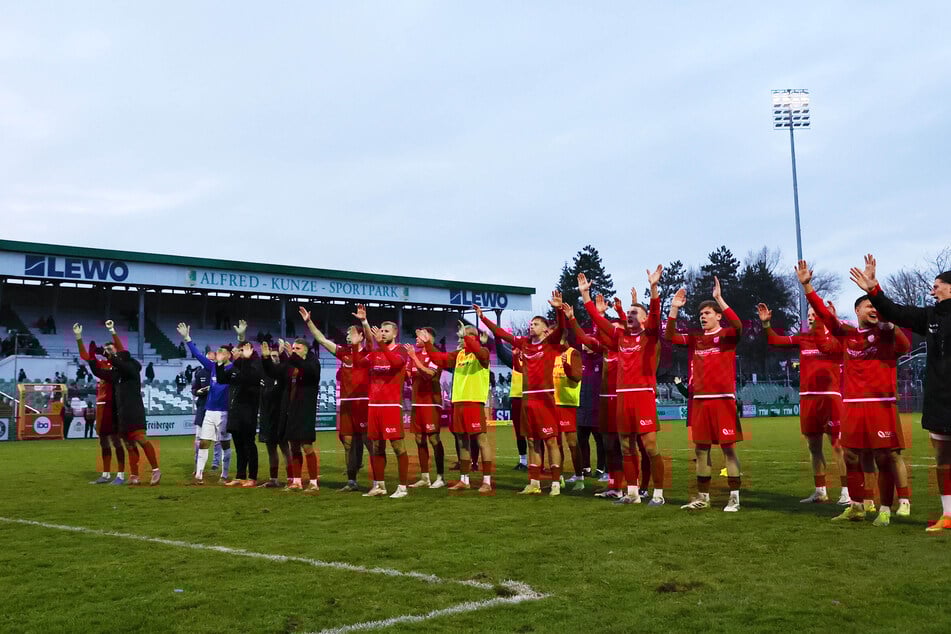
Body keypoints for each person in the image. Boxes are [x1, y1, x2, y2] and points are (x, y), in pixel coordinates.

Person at [798, 259, 910, 527]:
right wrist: (807, 287)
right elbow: (826, 318)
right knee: (850, 455)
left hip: (880, 404)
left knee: (886, 457)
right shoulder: (848, 335)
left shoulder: (886, 334)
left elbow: (905, 347)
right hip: (852, 405)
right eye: (868, 305)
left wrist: (877, 296)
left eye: (875, 306)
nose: (873, 309)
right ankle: (857, 506)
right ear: (857, 310)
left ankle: (886, 508)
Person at [850, 255, 950, 531]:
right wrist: (874, 290)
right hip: (939, 399)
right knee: (942, 456)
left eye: (937, 286)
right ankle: (948, 514)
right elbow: (895, 311)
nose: (932, 290)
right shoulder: (931, 316)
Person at [582, 268, 666, 506]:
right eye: (628, 312)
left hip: (642, 396)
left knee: (649, 446)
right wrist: (586, 296)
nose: (629, 314)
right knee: (626, 445)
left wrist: (653, 288)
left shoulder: (650, 336)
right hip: (622, 397)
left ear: (644, 318)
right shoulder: (620, 337)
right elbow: (599, 321)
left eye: (634, 312)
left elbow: (656, 313)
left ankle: (658, 494)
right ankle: (632, 493)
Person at [757, 301, 849, 505]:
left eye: (815, 313)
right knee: (813, 447)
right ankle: (820, 490)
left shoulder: (836, 337)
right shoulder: (803, 338)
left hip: (829, 397)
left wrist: (831, 320)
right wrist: (766, 324)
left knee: (838, 446)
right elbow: (775, 340)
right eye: (808, 313)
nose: (810, 316)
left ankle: (846, 492)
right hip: (807, 398)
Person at [477, 292, 566, 496]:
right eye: (531, 323)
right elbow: (501, 333)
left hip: (545, 398)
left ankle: (554, 483)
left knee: (551, 440)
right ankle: (533, 483)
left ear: (545, 329)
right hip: (527, 398)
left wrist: (559, 309)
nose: (531, 326)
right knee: (532, 441)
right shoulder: (524, 344)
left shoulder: (550, 344)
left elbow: (562, 327)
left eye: (536, 324)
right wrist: (483, 318)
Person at [665, 277, 743, 512]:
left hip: (723, 401)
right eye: (701, 314)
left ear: (718, 316)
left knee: (728, 449)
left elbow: (740, 327)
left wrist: (720, 298)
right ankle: (703, 497)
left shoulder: (728, 336)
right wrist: (674, 309)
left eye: (708, 313)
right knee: (701, 450)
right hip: (699, 402)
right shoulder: (695, 339)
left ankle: (734, 498)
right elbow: (669, 336)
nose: (703, 316)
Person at [301, 307, 371, 492]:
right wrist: (309, 321)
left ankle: (377, 481)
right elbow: (321, 339)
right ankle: (351, 481)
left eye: (351, 333)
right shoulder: (343, 352)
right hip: (347, 405)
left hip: (363, 403)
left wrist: (364, 322)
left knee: (369, 443)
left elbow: (372, 340)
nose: (348, 335)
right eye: (347, 333)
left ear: (361, 336)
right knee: (348, 443)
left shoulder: (369, 352)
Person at [421, 322, 492, 492]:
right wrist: (428, 345)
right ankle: (464, 480)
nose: (459, 339)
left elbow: (480, 353)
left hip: (474, 402)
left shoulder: (483, 353)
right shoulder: (458, 355)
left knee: (481, 440)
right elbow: (439, 359)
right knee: (462, 441)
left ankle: (487, 482)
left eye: (462, 337)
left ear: (472, 338)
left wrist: (467, 335)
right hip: (458, 402)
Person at [351, 306, 411, 498]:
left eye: (386, 331)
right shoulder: (375, 353)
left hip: (391, 406)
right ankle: (380, 486)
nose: (383, 334)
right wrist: (355, 346)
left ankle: (402, 487)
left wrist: (381, 345)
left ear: (395, 333)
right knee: (376, 446)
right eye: (382, 331)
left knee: (397, 446)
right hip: (374, 406)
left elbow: (396, 364)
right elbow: (358, 364)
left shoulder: (401, 350)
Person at [261, 333, 321, 492]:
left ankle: (314, 483)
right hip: (290, 410)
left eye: (297, 348)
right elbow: (274, 372)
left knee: (307, 446)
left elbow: (309, 372)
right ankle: (296, 482)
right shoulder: (290, 364)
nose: (294, 350)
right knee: (294, 446)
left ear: (306, 350)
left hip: (305, 411)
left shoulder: (313, 363)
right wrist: (266, 359)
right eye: (293, 348)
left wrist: (292, 357)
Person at [106, 322, 161, 486]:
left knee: (141, 438)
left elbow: (121, 356)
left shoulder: (131, 369)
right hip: (122, 413)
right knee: (129, 444)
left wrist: (113, 332)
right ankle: (134, 475)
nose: (113, 355)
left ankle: (156, 470)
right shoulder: (118, 374)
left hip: (134, 411)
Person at [179, 323, 233, 484]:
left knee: (224, 444)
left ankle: (224, 475)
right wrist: (187, 338)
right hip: (209, 411)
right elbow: (197, 354)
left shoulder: (232, 369)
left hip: (224, 412)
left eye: (221, 353)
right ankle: (199, 475)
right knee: (204, 442)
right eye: (217, 353)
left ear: (228, 355)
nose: (217, 355)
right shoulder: (212, 367)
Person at [74, 322, 126, 485]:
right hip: (101, 405)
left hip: (115, 405)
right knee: (103, 440)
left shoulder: (120, 365)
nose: (108, 351)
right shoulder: (102, 365)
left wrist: (112, 331)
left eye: (111, 349)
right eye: (106, 350)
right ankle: (105, 474)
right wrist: (78, 338)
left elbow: (122, 350)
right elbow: (86, 355)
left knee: (116, 440)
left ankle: (121, 475)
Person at [404, 327, 448, 490]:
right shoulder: (414, 354)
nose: (416, 338)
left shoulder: (435, 353)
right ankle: (425, 477)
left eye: (420, 335)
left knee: (433, 438)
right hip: (417, 402)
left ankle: (441, 477)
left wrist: (414, 358)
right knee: (418, 439)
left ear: (429, 338)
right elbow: (408, 375)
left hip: (431, 401)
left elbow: (430, 374)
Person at [216, 337, 262, 488]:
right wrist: (220, 363)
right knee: (239, 445)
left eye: (241, 350)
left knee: (249, 444)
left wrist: (247, 360)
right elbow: (222, 379)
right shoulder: (237, 365)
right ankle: (240, 476)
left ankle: (252, 477)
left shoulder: (254, 364)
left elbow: (249, 378)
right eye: (238, 350)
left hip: (248, 410)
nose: (237, 352)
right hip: (235, 411)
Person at [553, 306, 584, 490]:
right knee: (554, 443)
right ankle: (559, 478)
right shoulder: (550, 354)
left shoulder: (573, 353)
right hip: (552, 403)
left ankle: (579, 477)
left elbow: (577, 376)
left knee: (572, 443)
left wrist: (566, 367)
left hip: (568, 403)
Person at [257, 345, 290, 488]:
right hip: (266, 417)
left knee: (285, 448)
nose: (274, 358)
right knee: (271, 449)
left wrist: (286, 355)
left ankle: (291, 479)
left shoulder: (283, 373)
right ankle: (273, 479)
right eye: (271, 356)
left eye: (276, 355)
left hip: (280, 417)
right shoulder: (263, 374)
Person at [495, 334, 528, 470]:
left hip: (530, 397)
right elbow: (502, 353)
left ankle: (540, 463)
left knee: (535, 433)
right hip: (516, 397)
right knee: (519, 432)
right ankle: (523, 461)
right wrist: (497, 337)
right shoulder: (514, 359)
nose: (515, 348)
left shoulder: (535, 357)